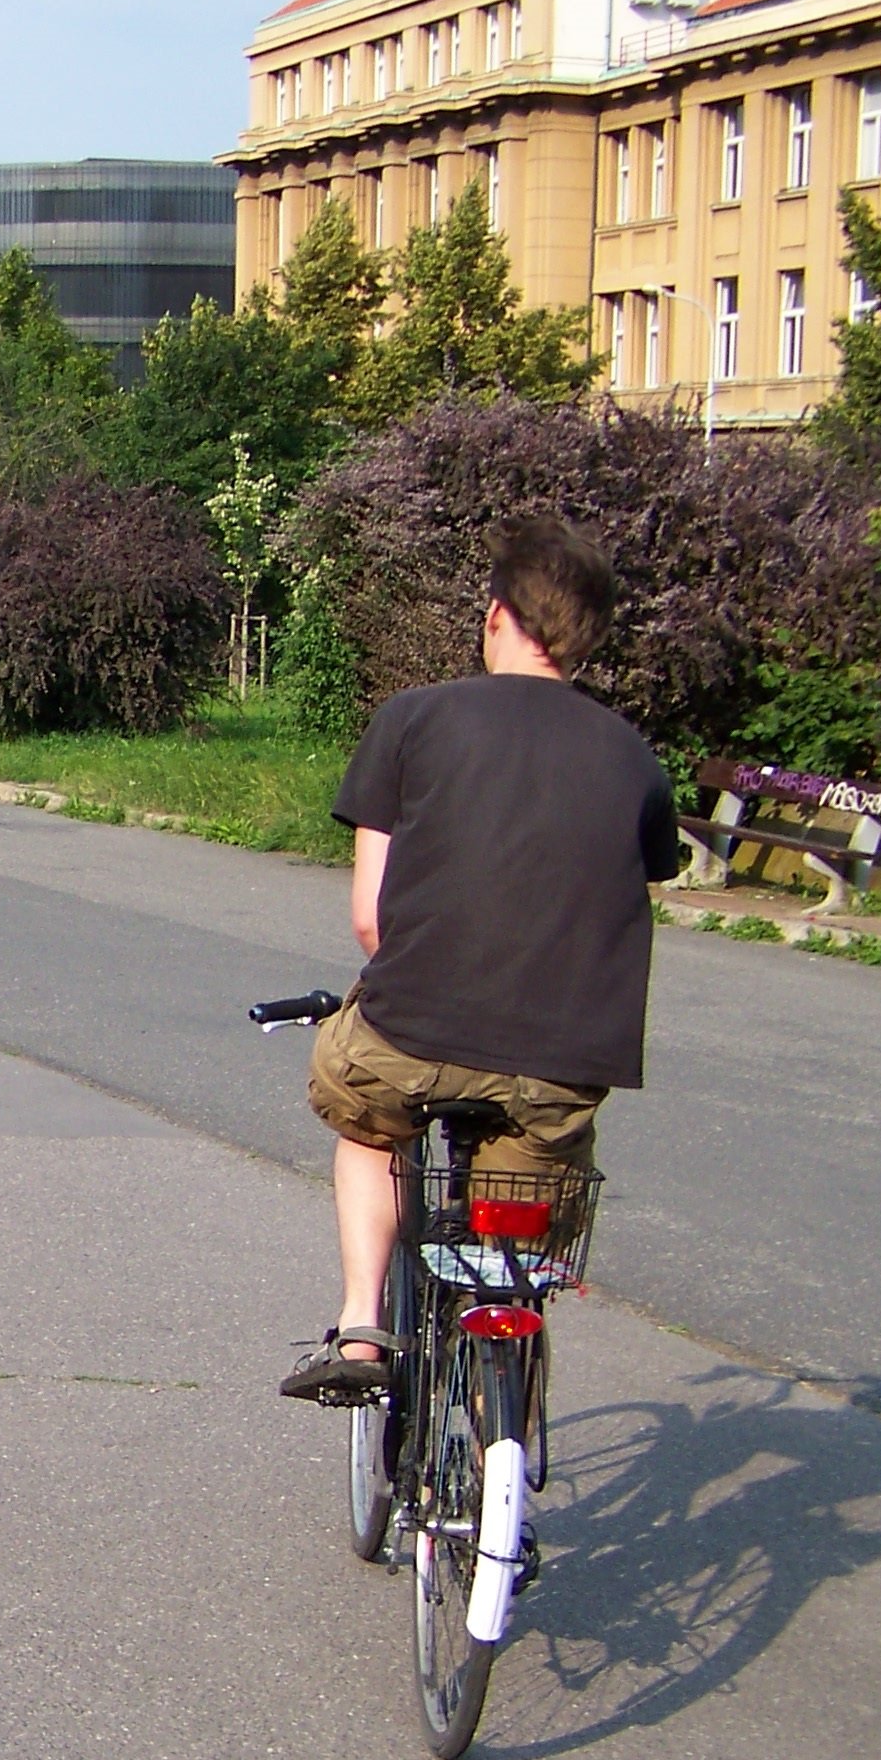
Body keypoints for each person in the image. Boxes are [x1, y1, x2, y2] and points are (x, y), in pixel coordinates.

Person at [282, 515, 682, 1402]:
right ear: (588, 636)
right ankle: (508, 1387)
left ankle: (360, 1331)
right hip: (564, 1058)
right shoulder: (635, 757)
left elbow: (371, 920)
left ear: (496, 614)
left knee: (368, 1128)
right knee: (518, 1227)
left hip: (414, 1031)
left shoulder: (415, 719)